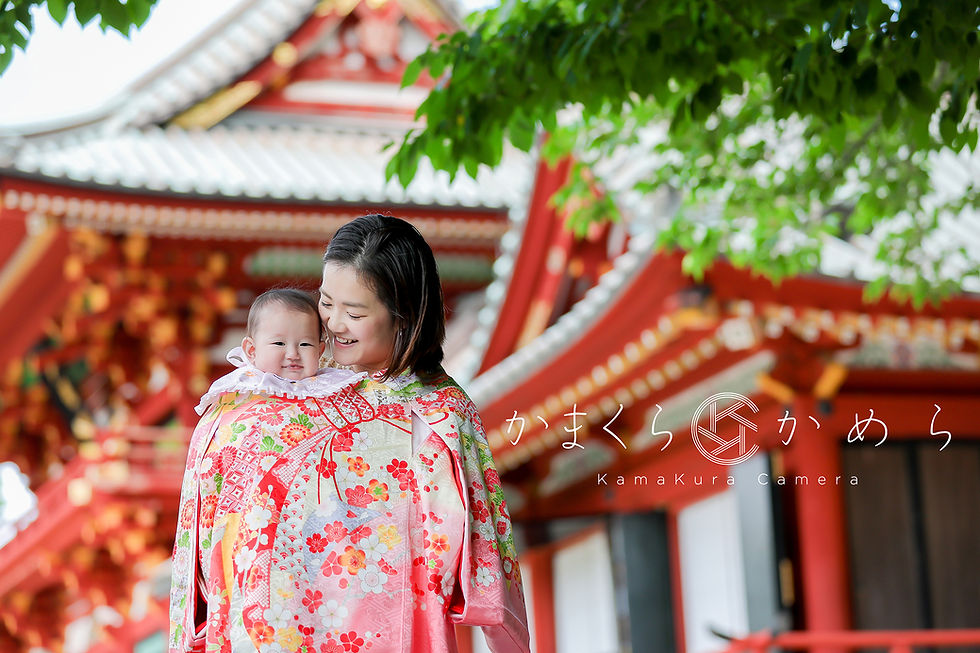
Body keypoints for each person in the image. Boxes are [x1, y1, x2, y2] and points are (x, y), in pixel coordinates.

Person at [169, 217, 530, 653]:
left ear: (404, 317)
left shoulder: (439, 416)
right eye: (325, 302)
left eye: (355, 313)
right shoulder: (261, 388)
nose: (334, 323)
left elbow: (487, 568)